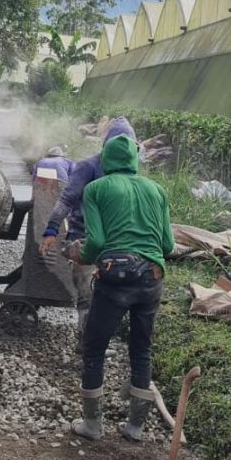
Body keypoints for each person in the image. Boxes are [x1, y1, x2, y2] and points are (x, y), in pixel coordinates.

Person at [65, 134, 174, 442]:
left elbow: (96, 242)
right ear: (135, 160)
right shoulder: (157, 190)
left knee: (94, 347)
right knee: (142, 348)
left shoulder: (97, 189)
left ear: (106, 159)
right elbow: (168, 244)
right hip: (151, 277)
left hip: (115, 279)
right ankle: (136, 427)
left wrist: (79, 254)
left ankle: (92, 424)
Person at [39, 117, 140, 359]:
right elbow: (66, 200)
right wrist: (52, 229)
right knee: (87, 295)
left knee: (108, 297)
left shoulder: (131, 171)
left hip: (117, 244)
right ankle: (86, 346)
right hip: (83, 239)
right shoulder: (88, 167)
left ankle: (97, 344)